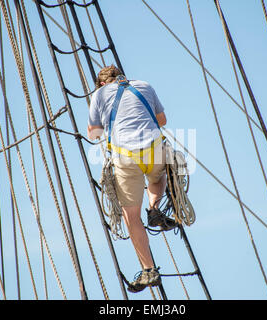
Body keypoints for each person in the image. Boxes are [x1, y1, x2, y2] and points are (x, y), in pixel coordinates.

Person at [87, 65, 176, 293]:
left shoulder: (99, 94)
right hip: (153, 149)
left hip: (125, 157)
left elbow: (93, 133)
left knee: (131, 217)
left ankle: (149, 270)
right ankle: (155, 208)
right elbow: (162, 120)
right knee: (157, 177)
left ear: (102, 84)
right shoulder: (144, 85)